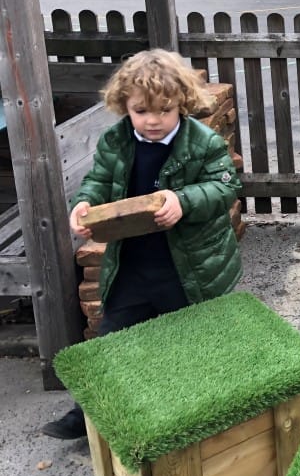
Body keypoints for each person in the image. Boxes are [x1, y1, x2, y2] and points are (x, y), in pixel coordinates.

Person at [41, 49, 243, 440]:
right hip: (132, 266)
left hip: (187, 270)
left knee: (193, 346)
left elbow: (226, 187)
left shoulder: (201, 143)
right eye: (141, 111)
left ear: (181, 103)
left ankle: (196, 415)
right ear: (124, 107)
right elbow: (98, 182)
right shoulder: (116, 141)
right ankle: (87, 414)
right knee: (111, 341)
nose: (153, 120)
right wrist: (84, 203)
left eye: (164, 110)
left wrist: (182, 201)